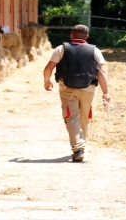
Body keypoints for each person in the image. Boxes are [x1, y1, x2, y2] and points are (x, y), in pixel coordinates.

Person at [42, 24, 110, 162]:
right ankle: (81, 146)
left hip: (67, 88)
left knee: (71, 117)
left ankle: (78, 148)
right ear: (87, 37)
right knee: (84, 116)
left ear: (71, 35)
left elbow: (49, 67)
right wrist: (106, 92)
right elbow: (101, 72)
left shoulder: (61, 49)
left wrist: (47, 81)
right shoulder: (95, 50)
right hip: (88, 88)